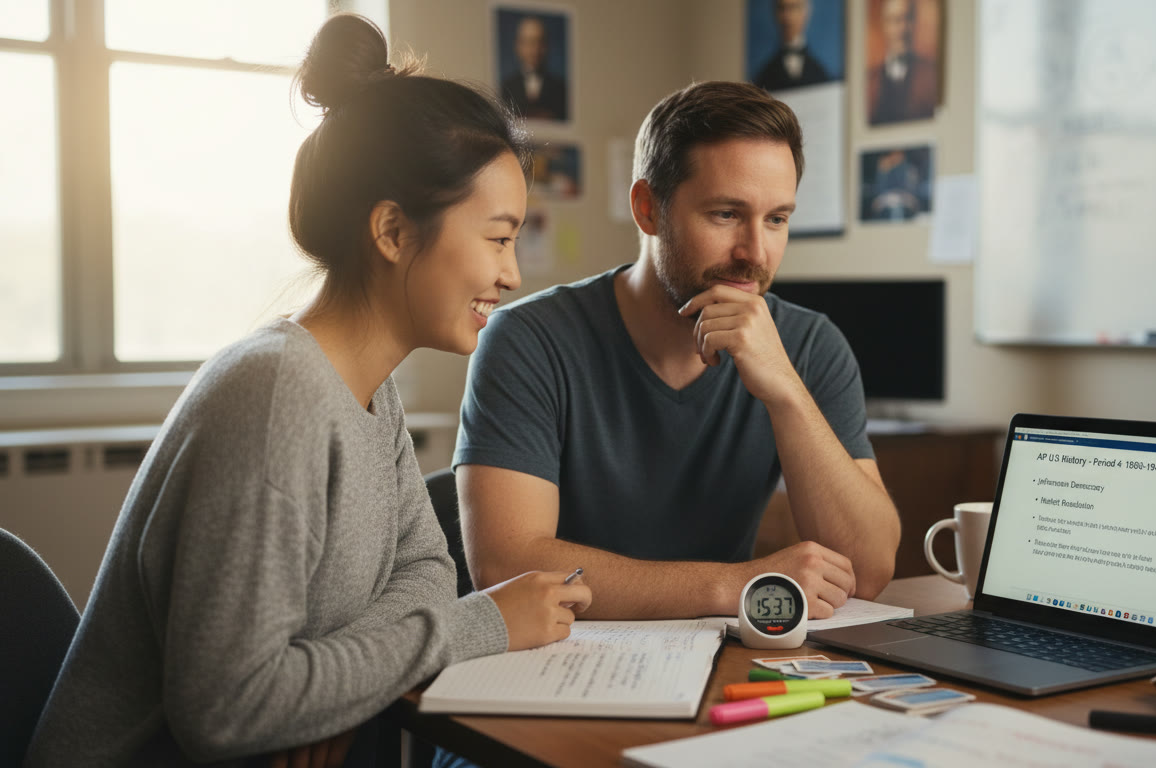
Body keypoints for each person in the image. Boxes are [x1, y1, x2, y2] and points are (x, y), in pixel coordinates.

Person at [24, 14, 590, 768]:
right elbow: (232, 711)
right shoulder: (274, 396)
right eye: (496, 236)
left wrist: (327, 688)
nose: (514, 274)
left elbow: (427, 573)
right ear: (392, 231)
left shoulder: (370, 390)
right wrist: (480, 625)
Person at [454, 81, 902, 622]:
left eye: (777, 219)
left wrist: (785, 391)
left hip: (723, 660)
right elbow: (508, 563)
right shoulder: (527, 341)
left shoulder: (811, 345)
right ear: (648, 209)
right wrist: (734, 584)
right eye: (726, 215)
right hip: (565, 658)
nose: (755, 253)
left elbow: (869, 570)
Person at [867, 0, 940, 125]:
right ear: (884, 25)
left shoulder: (930, 73)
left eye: (907, 19)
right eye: (895, 20)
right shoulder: (869, 80)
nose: (902, 29)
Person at [499, 15, 569, 121]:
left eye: (540, 42)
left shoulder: (562, 88)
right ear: (519, 46)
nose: (535, 49)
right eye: (530, 42)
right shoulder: (505, 87)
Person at [753, 0, 832, 91]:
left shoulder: (821, 72)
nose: (787, 17)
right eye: (782, 8)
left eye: (794, 8)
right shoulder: (764, 75)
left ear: (806, 13)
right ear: (775, 14)